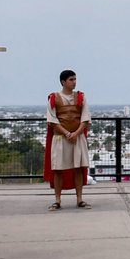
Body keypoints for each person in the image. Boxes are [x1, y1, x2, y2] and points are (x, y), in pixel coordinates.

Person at [44, 70, 91, 210]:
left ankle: (79, 199)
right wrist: (66, 133)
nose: (74, 82)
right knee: (58, 169)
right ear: (63, 82)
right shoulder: (54, 98)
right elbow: (52, 120)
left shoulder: (81, 97)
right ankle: (57, 200)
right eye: (71, 79)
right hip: (60, 138)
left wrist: (76, 133)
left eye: (75, 79)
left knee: (78, 168)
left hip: (77, 137)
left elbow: (85, 117)